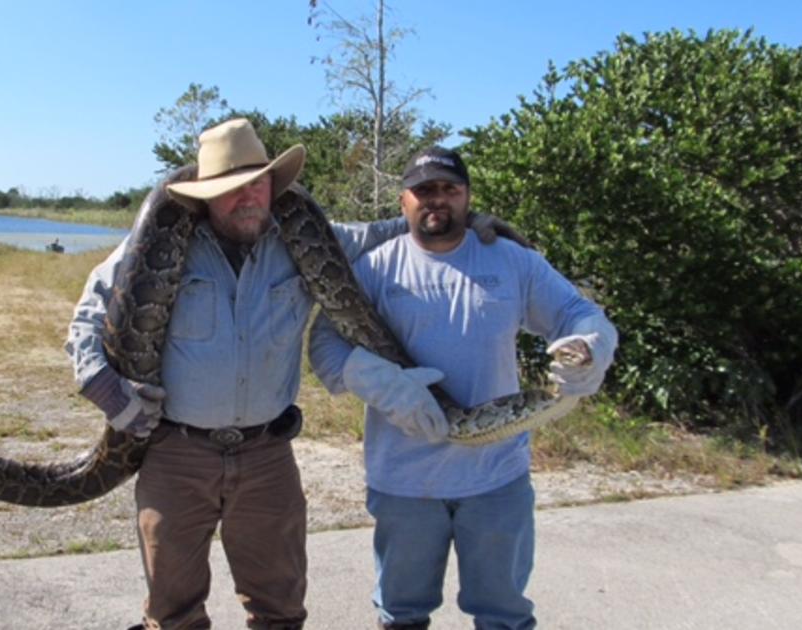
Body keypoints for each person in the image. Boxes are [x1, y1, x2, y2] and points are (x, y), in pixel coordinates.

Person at [65, 120, 515, 629]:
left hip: (266, 457)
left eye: (257, 183)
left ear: (273, 185)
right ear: (204, 198)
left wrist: (468, 221)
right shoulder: (154, 243)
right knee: (172, 612)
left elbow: (384, 232)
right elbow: (89, 315)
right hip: (177, 454)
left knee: (279, 608)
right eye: (230, 190)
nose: (247, 198)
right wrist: (105, 388)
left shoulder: (301, 238)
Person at [308, 147, 618, 629]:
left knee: (503, 614)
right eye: (424, 190)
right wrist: (376, 382)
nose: (437, 200)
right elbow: (325, 345)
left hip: (496, 477)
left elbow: (577, 313)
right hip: (404, 481)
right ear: (403, 200)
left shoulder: (512, 261)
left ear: (468, 196)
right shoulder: (374, 267)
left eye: (449, 189)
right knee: (401, 614)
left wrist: (589, 346)